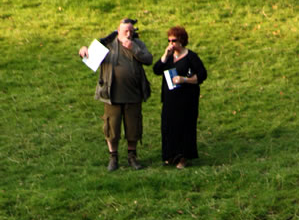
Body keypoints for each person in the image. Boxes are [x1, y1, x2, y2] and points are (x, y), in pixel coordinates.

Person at [79, 19, 153, 171]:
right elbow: (88, 56)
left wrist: (134, 49)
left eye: (131, 31)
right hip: (111, 95)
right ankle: (113, 158)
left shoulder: (138, 44)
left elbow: (149, 60)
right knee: (112, 128)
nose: (129, 33)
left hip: (133, 94)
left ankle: (132, 157)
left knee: (133, 128)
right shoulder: (107, 44)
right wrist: (83, 50)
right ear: (118, 31)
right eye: (126, 31)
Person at [153, 26, 207, 169]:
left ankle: (183, 157)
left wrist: (184, 80)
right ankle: (170, 155)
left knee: (184, 127)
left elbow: (202, 75)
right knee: (169, 127)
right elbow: (156, 70)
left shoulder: (191, 57)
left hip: (186, 100)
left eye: (174, 41)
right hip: (170, 99)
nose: (171, 44)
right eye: (169, 41)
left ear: (182, 41)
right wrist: (165, 56)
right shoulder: (169, 57)